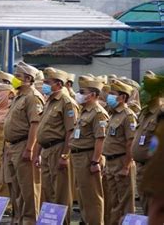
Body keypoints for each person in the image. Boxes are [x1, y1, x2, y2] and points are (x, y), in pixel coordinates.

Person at [3, 61, 44, 225]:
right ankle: (18, 218)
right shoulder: (18, 97)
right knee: (15, 187)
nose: (14, 79)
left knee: (28, 186)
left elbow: (35, 124)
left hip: (23, 145)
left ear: (28, 78)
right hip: (12, 146)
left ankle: (30, 220)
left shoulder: (32, 98)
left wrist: (30, 149)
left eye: (17, 76)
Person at [35, 67, 77, 224]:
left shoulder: (67, 103)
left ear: (58, 84)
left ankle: (62, 222)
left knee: (60, 191)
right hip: (46, 150)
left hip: (59, 149)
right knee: (47, 190)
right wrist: (37, 152)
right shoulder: (50, 101)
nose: (44, 85)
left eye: (47, 82)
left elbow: (70, 132)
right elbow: (42, 130)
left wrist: (65, 155)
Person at [70, 75, 109, 225]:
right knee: (83, 196)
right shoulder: (85, 111)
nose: (79, 94)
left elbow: (100, 139)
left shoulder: (98, 113)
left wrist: (95, 161)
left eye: (82, 91)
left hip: (89, 157)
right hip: (80, 157)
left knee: (92, 197)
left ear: (92, 95)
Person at [102, 79, 137, 224]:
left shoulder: (128, 116)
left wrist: (126, 166)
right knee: (113, 202)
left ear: (122, 97)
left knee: (125, 203)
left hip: (122, 162)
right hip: (111, 163)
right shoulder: (114, 114)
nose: (109, 96)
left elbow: (131, 143)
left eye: (113, 94)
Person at [132, 71, 164, 215]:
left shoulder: (160, 114)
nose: (143, 94)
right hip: (141, 168)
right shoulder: (144, 112)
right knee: (145, 208)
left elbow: (158, 143)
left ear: (157, 93)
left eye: (146, 91)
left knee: (154, 210)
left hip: (152, 168)